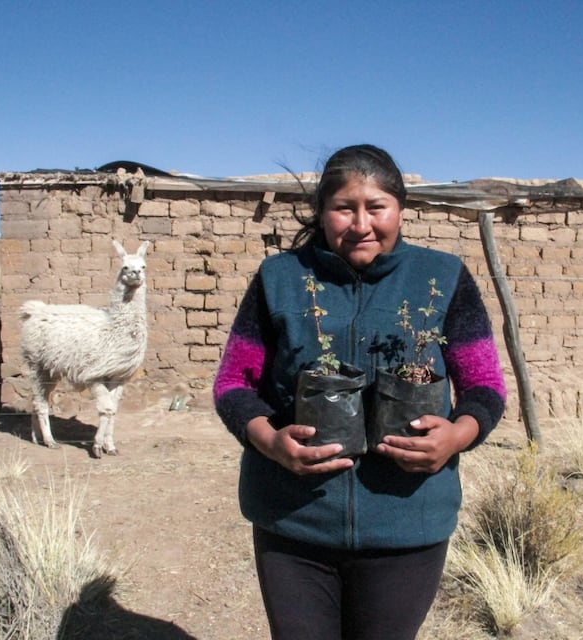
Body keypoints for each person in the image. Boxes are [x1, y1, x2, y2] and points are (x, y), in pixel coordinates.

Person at [213, 144, 506, 640]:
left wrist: (455, 435)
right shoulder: (280, 279)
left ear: (400, 209)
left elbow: (485, 385)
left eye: (376, 207)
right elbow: (233, 382)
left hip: (407, 524)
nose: (361, 224)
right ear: (322, 212)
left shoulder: (442, 277)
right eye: (344, 208)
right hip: (293, 522)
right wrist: (270, 442)